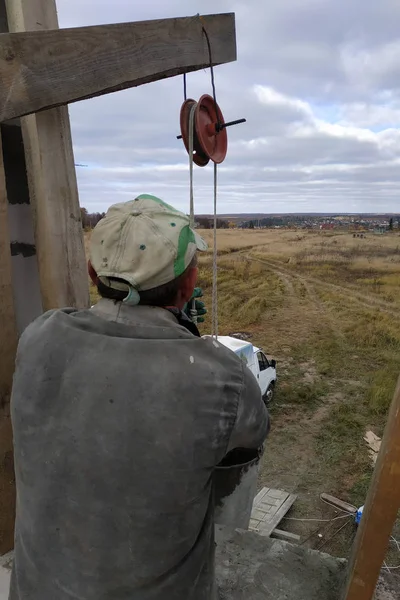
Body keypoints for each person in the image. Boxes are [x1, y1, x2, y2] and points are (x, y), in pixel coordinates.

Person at [9, 194, 270, 600]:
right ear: (189, 284)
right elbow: (249, 439)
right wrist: (187, 338)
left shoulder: (39, 336)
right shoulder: (223, 377)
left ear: (94, 273)